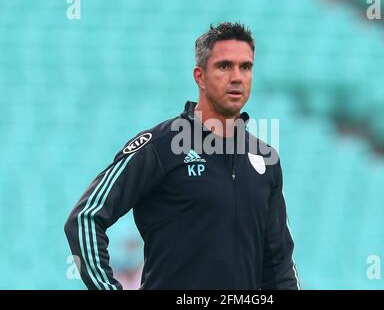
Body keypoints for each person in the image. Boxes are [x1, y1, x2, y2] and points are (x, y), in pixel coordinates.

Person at [64, 22, 300, 290]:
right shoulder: (160, 146)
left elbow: (279, 263)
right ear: (199, 76)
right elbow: (84, 217)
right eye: (224, 66)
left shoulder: (265, 159)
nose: (237, 77)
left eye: (245, 67)